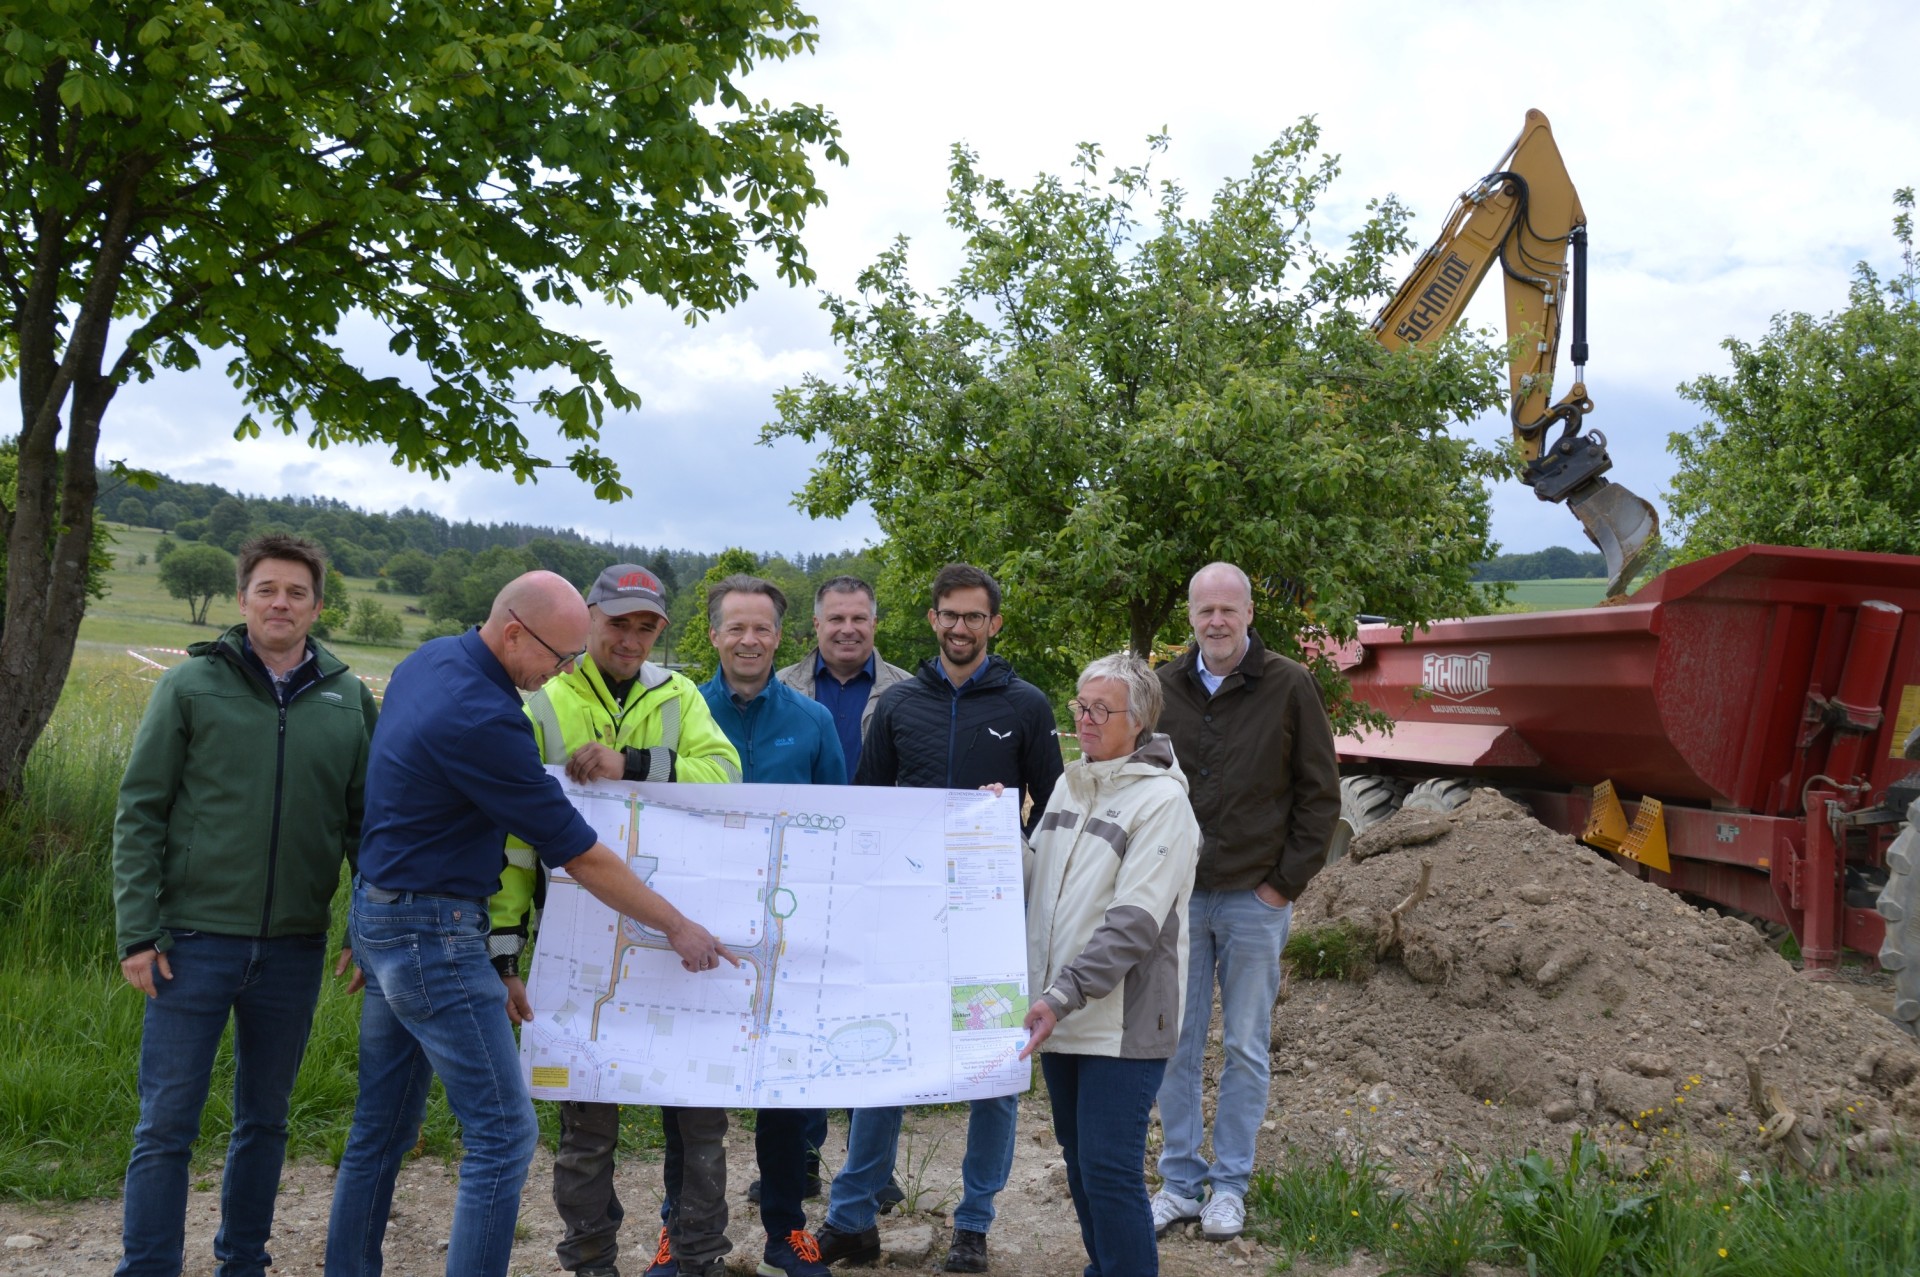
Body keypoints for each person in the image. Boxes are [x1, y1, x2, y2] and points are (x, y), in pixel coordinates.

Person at [325, 572, 736, 1277]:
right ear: (515, 631)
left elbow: (388, 793)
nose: (563, 671)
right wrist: (676, 925)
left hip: (386, 907)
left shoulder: (428, 660)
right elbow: (577, 853)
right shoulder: (488, 719)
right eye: (559, 654)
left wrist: (371, 925)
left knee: (382, 1128)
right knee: (503, 1134)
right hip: (434, 930)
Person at [112, 533, 378, 1277]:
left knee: (265, 1121)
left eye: (297, 592)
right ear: (243, 598)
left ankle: (243, 1262)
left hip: (294, 947)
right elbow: (141, 809)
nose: (281, 603)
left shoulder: (347, 697)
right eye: (267, 589)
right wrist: (138, 931)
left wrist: (364, 925)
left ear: (318, 605)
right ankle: (149, 1266)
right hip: (190, 943)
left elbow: (367, 826)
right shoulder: (192, 685)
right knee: (166, 1124)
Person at [485, 564, 743, 1277]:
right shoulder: (544, 702)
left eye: (646, 626)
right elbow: (510, 844)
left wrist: (632, 763)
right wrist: (504, 948)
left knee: (699, 1118)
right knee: (587, 1124)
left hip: (678, 938)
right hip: (580, 947)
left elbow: (724, 774)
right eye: (618, 622)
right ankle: (590, 1259)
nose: (630, 638)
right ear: (591, 617)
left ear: (660, 629)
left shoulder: (680, 693)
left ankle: (698, 1257)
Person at [817, 564, 1064, 1274]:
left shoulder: (1026, 704)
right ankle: (852, 1215)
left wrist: (1005, 831)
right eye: (949, 615)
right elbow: (869, 806)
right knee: (885, 1060)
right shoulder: (897, 705)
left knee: (993, 1068)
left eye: (974, 617)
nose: (961, 627)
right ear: (931, 619)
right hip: (906, 921)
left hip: (989, 925)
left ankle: (974, 1223)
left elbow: (1051, 812)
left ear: (995, 624)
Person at [1150, 562, 1339, 1243]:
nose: (1217, 620)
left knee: (1247, 1047)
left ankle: (1229, 1184)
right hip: (1180, 898)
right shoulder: (1163, 687)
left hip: (1255, 900)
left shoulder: (1287, 684)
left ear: (1250, 613)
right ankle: (1179, 1181)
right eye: (1206, 609)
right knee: (1174, 1041)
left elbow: (1320, 794)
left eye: (1229, 608)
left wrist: (1282, 883)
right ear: (1192, 617)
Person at [1020, 653, 1199, 1277]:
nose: (1086, 719)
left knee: (1110, 1166)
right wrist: (991, 834)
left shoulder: (1162, 804)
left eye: (1102, 709)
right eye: (1080, 706)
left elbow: (1134, 925)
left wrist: (1061, 994)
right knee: (1078, 1159)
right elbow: (1034, 877)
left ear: (1140, 721)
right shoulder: (1073, 783)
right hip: (1062, 1011)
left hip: (1121, 1021)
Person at [699, 574, 846, 1277]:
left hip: (786, 933)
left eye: (762, 628)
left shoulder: (813, 721)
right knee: (692, 1092)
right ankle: (684, 1230)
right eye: (737, 627)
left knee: (785, 1088)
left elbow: (841, 825)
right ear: (714, 635)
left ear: (779, 636)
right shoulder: (677, 711)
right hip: (696, 934)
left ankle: (788, 1230)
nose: (750, 639)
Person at [774, 574, 909, 781]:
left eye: (858, 619)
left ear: (874, 624)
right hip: (804, 813)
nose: (847, 629)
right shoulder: (779, 688)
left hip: (878, 812)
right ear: (817, 624)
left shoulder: (908, 692)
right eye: (836, 619)